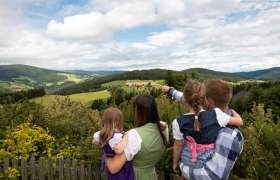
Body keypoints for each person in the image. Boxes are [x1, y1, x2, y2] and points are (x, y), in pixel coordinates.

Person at [162, 79, 244, 179]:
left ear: (208, 100)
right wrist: (171, 91)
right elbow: (189, 99)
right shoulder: (215, 115)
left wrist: (182, 166)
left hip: (189, 169)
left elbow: (213, 177)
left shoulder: (230, 135)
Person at [105, 93, 169, 180]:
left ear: (137, 112)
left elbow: (113, 168)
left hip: (133, 176)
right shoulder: (164, 127)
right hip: (151, 175)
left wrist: (106, 153)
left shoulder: (134, 135)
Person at [92, 107, 134, 180]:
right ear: (118, 121)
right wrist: (126, 137)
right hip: (120, 164)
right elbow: (118, 149)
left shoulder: (101, 134)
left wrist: (103, 145)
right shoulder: (117, 136)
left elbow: (94, 141)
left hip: (108, 160)